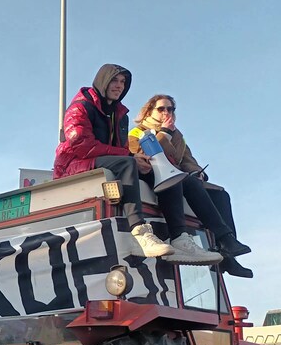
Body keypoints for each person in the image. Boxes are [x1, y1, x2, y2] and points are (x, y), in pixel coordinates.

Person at [54, 64, 219, 265]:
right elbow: (80, 144)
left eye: (123, 82)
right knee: (126, 163)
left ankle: (180, 238)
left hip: (107, 160)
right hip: (74, 163)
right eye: (114, 80)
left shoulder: (118, 113)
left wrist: (138, 160)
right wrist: (130, 156)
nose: (119, 86)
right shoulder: (81, 107)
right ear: (102, 81)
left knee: (164, 172)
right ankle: (139, 232)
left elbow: (121, 150)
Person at [128, 95, 252, 277]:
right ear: (149, 111)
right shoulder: (138, 132)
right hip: (155, 173)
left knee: (221, 195)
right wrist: (165, 133)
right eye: (161, 109)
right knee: (184, 180)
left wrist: (197, 171)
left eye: (170, 109)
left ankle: (227, 247)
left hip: (180, 176)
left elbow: (188, 160)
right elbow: (141, 154)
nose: (167, 112)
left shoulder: (179, 137)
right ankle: (190, 237)